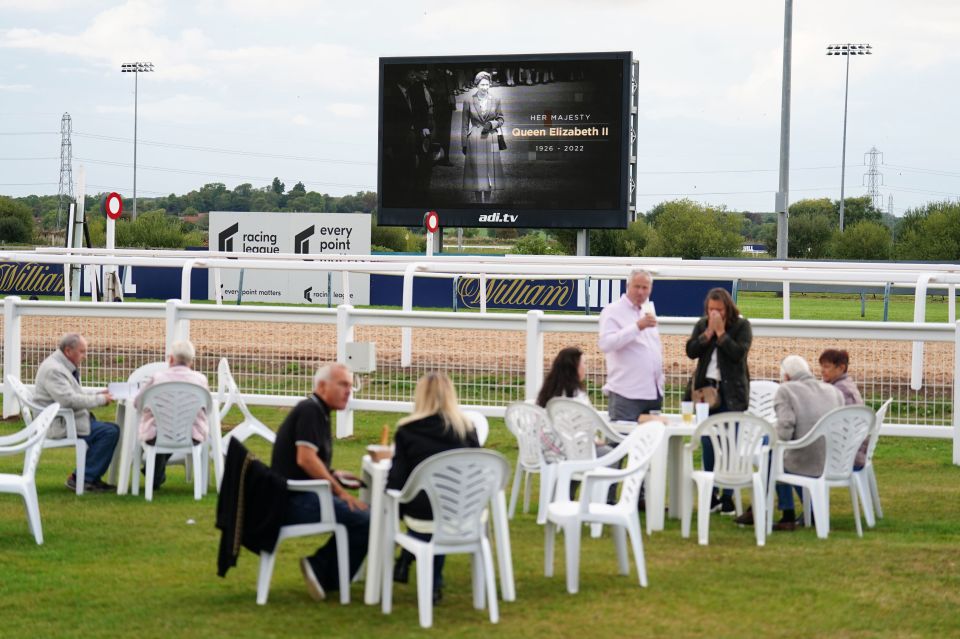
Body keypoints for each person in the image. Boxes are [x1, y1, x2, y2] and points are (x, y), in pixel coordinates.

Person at [271, 363, 369, 601]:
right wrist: (340, 492)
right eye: (343, 384)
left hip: (298, 496)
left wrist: (334, 473)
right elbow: (305, 459)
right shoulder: (311, 411)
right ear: (322, 386)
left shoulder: (318, 411)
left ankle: (328, 575)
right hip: (293, 502)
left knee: (367, 517)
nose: (349, 390)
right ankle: (320, 568)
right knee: (368, 519)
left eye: (350, 385)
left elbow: (308, 462)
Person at [387, 372, 480, 605]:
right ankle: (426, 576)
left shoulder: (407, 431)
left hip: (424, 511)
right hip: (463, 508)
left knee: (416, 510)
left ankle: (412, 562)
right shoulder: (467, 429)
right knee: (440, 508)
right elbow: (478, 469)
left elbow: (396, 481)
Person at [685, 287, 752, 515]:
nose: (714, 314)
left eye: (719, 310)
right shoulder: (702, 324)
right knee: (708, 443)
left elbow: (738, 354)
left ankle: (728, 496)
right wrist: (707, 336)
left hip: (732, 393)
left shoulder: (742, 326)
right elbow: (691, 351)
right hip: (706, 393)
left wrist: (722, 334)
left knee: (730, 446)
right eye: (711, 309)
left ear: (727, 308)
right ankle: (711, 494)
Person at [33, 333, 120, 493]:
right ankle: (83, 478)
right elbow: (69, 400)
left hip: (66, 420)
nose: (85, 356)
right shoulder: (54, 370)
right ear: (68, 351)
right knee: (109, 432)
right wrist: (100, 399)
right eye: (82, 351)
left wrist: (99, 394)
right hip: (59, 424)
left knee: (109, 429)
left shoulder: (60, 365)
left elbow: (72, 394)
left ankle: (88, 477)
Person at [134, 340, 209, 490]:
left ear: (171, 359)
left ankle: (154, 473)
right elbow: (207, 408)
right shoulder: (200, 380)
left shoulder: (157, 378)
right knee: (172, 427)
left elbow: (138, 403)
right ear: (191, 361)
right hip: (191, 435)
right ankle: (155, 474)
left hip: (157, 435)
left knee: (162, 428)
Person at [598, 269, 664, 421]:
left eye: (645, 287)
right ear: (628, 286)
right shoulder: (612, 311)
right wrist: (637, 327)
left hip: (652, 393)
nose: (641, 292)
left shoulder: (647, 310)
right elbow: (606, 344)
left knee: (650, 443)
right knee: (622, 442)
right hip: (626, 393)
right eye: (637, 287)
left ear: (650, 289)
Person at [819, 348, 868, 469]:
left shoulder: (840, 391)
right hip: (853, 452)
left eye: (826, 366)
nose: (822, 371)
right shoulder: (846, 384)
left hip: (845, 456)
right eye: (821, 366)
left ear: (840, 368)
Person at [461, 71, 505, 203]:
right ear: (477, 85)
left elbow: (501, 119)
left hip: (491, 138)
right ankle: (479, 203)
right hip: (474, 139)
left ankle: (488, 203)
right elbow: (464, 124)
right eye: (482, 85)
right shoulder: (468, 100)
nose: (485, 87)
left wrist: (492, 124)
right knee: (477, 170)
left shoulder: (495, 100)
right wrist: (464, 143)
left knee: (490, 170)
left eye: (487, 84)